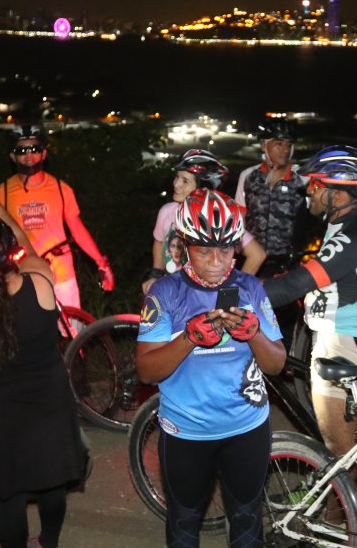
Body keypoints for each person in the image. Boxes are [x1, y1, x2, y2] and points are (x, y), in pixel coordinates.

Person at [136, 189, 285, 547]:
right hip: (187, 432)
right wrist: (188, 338)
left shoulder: (249, 287)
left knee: (248, 521)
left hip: (246, 429)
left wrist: (254, 336)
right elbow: (146, 371)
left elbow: (276, 364)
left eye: (226, 249)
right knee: (184, 523)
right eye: (205, 250)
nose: (217, 261)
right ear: (184, 245)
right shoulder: (164, 293)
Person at [0, 185, 87, 548]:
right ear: (9, 251)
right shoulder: (39, 281)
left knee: (11, 498)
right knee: (52, 484)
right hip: (50, 407)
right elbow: (28, 247)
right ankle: (49, 542)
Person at [263, 145, 357, 456]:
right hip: (351, 336)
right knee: (347, 444)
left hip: (342, 342)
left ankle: (345, 503)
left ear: (340, 196)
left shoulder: (349, 237)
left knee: (338, 448)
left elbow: (293, 287)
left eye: (317, 185)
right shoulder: (355, 220)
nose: (310, 190)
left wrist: (234, 291)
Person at [0, 123, 113, 311]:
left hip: (61, 272)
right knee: (30, 333)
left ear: (44, 153)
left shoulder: (61, 188)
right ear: (12, 156)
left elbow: (77, 228)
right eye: (21, 150)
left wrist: (101, 262)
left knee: (74, 333)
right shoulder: (3, 192)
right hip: (23, 273)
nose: (28, 154)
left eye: (34, 148)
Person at [142, 148, 265, 293]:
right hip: (172, 295)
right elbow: (160, 241)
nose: (176, 184)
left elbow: (257, 255)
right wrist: (156, 273)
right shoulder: (167, 211)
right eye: (177, 177)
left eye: (185, 181)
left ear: (203, 189)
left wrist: (233, 291)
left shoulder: (219, 220)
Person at [235, 117, 308, 277]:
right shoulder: (247, 177)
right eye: (279, 143)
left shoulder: (303, 179)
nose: (285, 150)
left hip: (287, 266)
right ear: (263, 145)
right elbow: (240, 218)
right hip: (252, 263)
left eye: (289, 144)